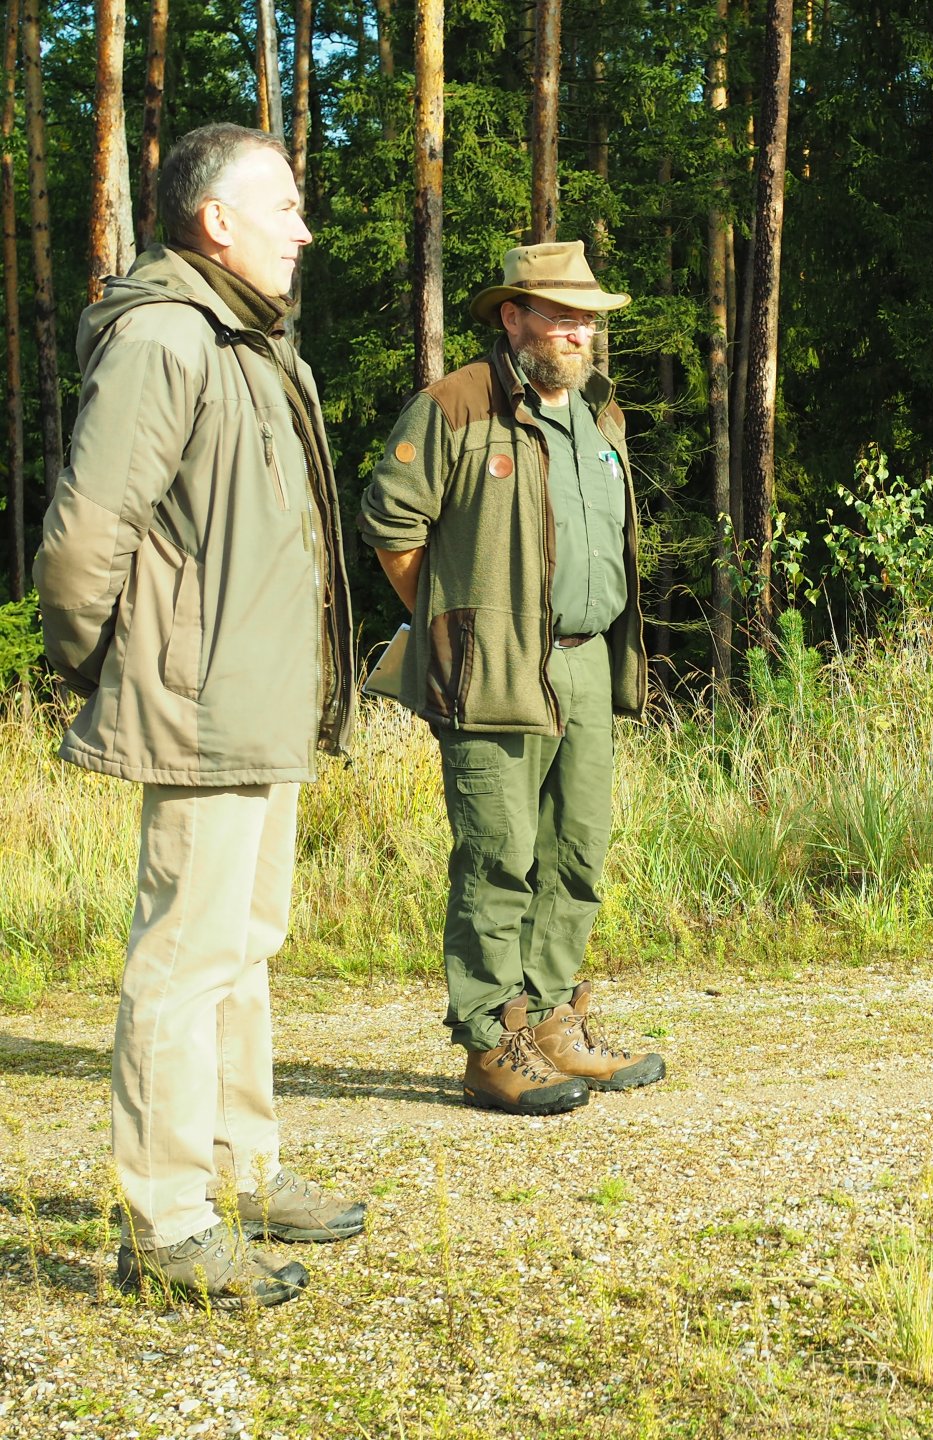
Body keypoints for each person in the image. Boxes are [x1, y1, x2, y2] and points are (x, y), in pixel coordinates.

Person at [34, 124, 361, 1307]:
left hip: (260, 700)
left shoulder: (256, 344)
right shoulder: (167, 337)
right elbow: (85, 538)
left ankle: (242, 1167)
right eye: (284, 207)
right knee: (183, 960)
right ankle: (167, 1223)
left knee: (245, 945)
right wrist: (121, 669)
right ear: (216, 221)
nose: (304, 230)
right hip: (202, 700)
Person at [361, 241, 665, 1115]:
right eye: (559, 315)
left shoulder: (600, 414)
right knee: (498, 858)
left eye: (586, 318)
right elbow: (391, 523)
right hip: (491, 669)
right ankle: (492, 1042)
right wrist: (456, 627)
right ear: (512, 316)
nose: (577, 332)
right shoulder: (454, 406)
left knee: (576, 852)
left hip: (588, 660)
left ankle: (555, 1024)